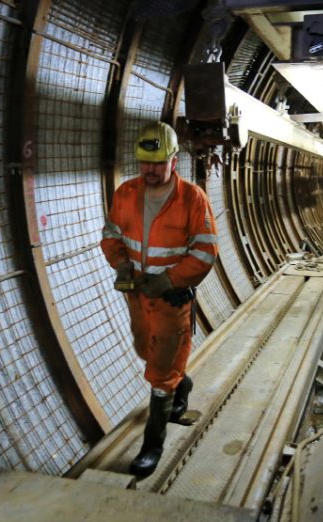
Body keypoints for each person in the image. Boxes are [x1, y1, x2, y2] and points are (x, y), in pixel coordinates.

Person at [100, 121, 219, 478]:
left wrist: (167, 279)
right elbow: (111, 235)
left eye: (157, 162)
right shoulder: (125, 194)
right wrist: (121, 265)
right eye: (143, 163)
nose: (150, 170)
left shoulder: (192, 199)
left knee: (159, 371)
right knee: (144, 349)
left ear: (173, 159)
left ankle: (153, 443)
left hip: (170, 299)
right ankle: (182, 381)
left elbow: (205, 252)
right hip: (137, 296)